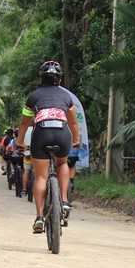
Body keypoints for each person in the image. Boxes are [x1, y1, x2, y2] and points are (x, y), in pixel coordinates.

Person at [16, 61, 79, 234]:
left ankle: (39, 217)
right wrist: (76, 140)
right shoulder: (67, 97)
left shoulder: (34, 96)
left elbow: (24, 123)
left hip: (41, 134)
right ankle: (64, 201)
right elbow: (73, 122)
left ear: (41, 78)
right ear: (59, 79)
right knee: (62, 163)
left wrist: (20, 142)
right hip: (62, 134)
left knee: (41, 177)